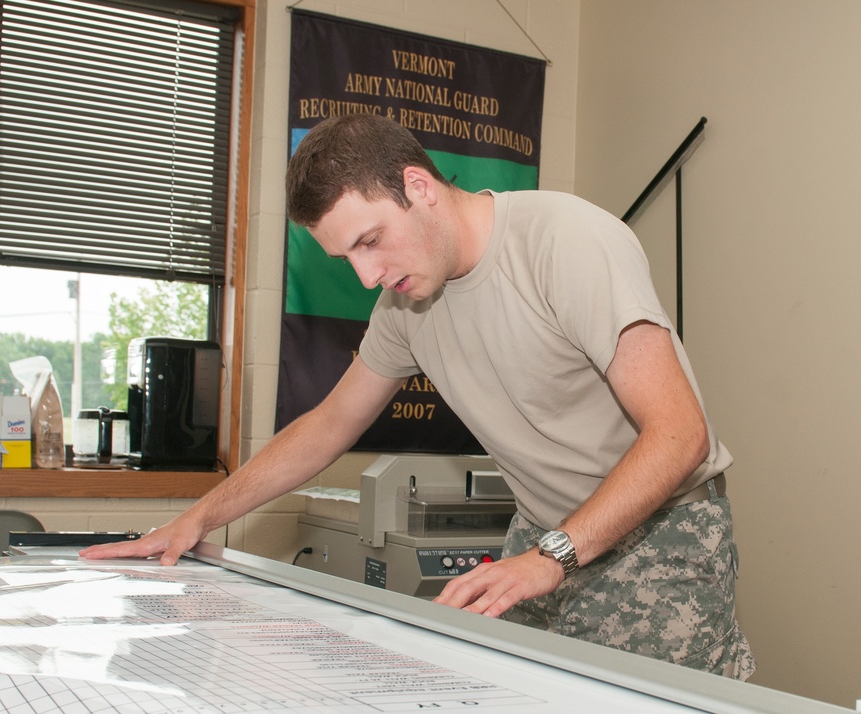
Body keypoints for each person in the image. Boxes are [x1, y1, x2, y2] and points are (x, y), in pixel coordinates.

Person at [81, 113, 755, 679]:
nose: (371, 274)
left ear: (418, 186)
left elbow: (678, 434)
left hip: (658, 537)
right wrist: (198, 517)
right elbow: (328, 425)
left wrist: (551, 557)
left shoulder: (566, 240)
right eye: (350, 259)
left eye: (371, 241)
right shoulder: (408, 305)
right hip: (544, 533)